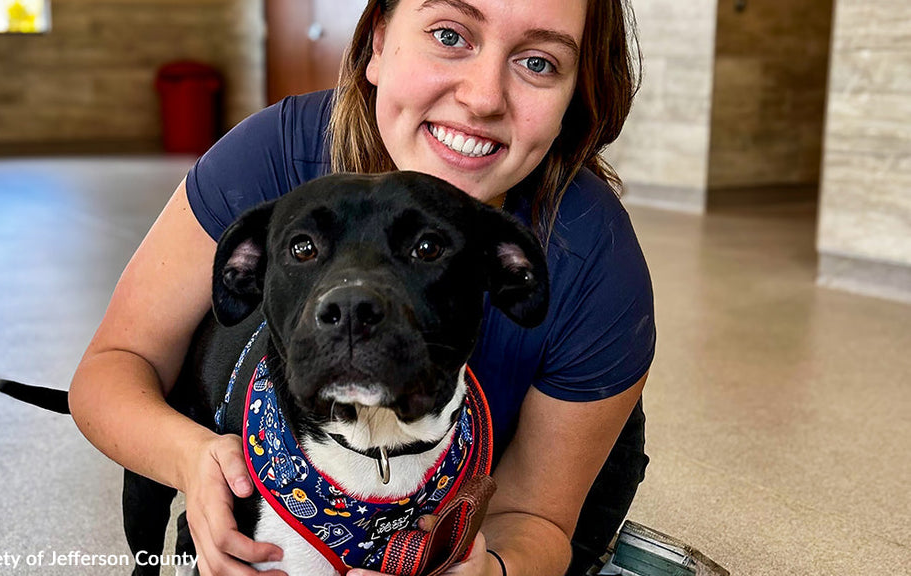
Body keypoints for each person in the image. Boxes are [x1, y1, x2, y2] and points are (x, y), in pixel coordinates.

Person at [68, 1, 654, 575]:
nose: (482, 97)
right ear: (378, 41)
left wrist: (491, 569)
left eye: (539, 62)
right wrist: (191, 457)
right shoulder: (273, 160)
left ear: (573, 97)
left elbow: (537, 516)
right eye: (450, 35)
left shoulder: (591, 253)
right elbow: (115, 365)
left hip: (509, 493)